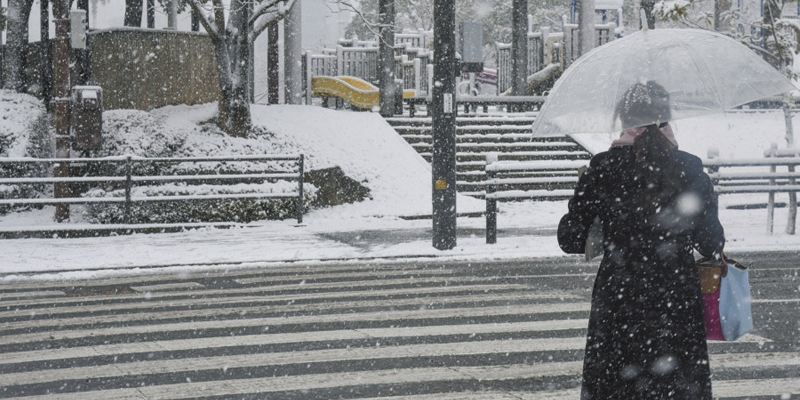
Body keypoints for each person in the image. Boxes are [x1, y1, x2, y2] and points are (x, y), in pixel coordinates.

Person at [557, 81, 725, 399]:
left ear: (624, 120)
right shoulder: (690, 170)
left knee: (617, 385)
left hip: (619, 296)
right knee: (676, 387)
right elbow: (710, 242)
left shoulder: (602, 170)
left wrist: (592, 209)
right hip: (675, 295)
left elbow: (570, 238)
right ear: (667, 120)